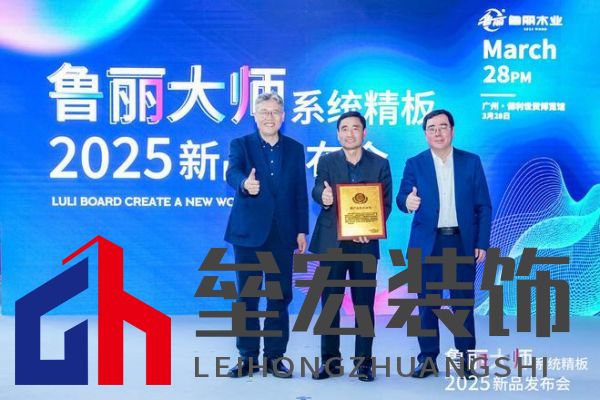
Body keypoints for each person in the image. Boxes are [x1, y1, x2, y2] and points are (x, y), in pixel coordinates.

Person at [396, 109, 492, 379]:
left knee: (462, 304)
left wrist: (481, 242)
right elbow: (401, 198)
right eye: (432, 128)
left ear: (452, 130)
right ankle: (427, 359)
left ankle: (466, 360)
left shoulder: (470, 162)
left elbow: (483, 206)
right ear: (425, 133)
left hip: (461, 242)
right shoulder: (415, 164)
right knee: (427, 305)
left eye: (443, 127)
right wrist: (407, 202)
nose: (437, 133)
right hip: (427, 245)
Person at [224, 92, 309, 378]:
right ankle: (247, 357)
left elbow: (299, 191)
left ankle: (274, 357)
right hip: (248, 233)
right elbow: (232, 172)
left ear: (283, 117)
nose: (269, 117)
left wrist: (301, 229)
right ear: (255, 116)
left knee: (279, 296)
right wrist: (244, 184)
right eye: (264, 112)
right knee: (247, 297)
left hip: (283, 234)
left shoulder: (295, 149)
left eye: (274, 112)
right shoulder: (241, 145)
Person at [309, 111, 392, 382]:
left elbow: (385, 204)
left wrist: (369, 229)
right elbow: (317, 189)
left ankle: (363, 363)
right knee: (330, 304)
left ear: (364, 133)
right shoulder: (327, 161)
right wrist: (323, 196)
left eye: (355, 128)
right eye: (344, 128)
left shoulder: (380, 164)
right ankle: (330, 362)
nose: (349, 133)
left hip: (365, 245)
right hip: (331, 242)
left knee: (364, 305)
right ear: (338, 134)